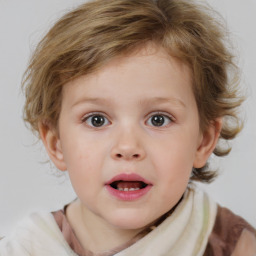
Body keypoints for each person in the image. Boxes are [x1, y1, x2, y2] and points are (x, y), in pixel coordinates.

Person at [0, 0, 255, 255]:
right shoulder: (25, 249)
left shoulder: (235, 247)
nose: (128, 147)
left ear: (204, 140)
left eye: (158, 119)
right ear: (56, 143)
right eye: (96, 120)